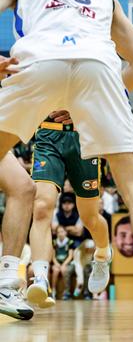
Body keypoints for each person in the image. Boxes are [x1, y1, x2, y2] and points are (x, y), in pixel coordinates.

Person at [26, 112, 113, 309]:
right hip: (48, 134)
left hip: (83, 135)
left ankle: (102, 255)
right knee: (40, 208)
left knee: (89, 217)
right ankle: (40, 278)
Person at [50, 225, 75, 300]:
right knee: (55, 270)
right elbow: (53, 256)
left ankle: (66, 292)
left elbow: (70, 256)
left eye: (62, 232)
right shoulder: (54, 242)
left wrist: (64, 264)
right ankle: (53, 291)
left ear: (65, 233)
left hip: (66, 263)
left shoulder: (70, 242)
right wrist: (56, 263)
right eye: (58, 232)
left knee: (64, 270)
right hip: (57, 262)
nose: (60, 233)